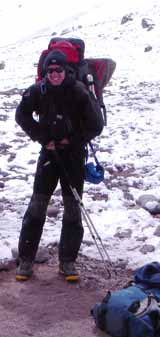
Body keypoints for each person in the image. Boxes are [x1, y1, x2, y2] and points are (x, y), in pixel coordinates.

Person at [15, 50, 104, 282]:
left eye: (59, 70)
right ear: (45, 72)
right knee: (37, 205)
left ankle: (67, 262)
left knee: (73, 208)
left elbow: (97, 125)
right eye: (50, 71)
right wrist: (43, 138)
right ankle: (25, 261)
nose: (54, 74)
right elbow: (21, 115)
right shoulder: (38, 91)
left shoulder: (79, 92)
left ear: (67, 71)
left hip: (73, 156)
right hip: (48, 155)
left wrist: (71, 141)